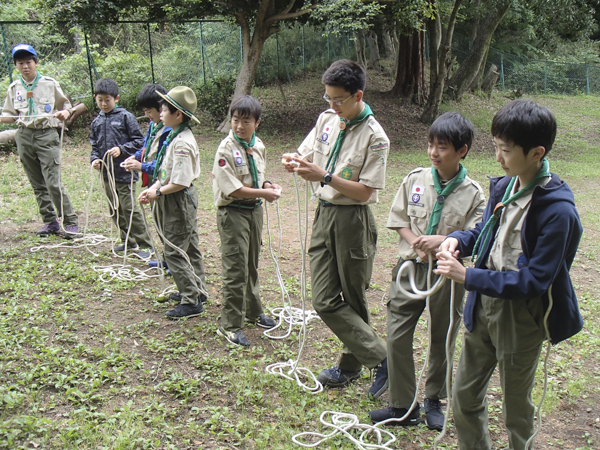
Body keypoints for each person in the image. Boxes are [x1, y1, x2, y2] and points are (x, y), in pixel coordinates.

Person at [434, 99, 583, 450]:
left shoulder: (558, 211)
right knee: (464, 398)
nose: (498, 157)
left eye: (506, 150)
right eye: (496, 147)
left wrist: (467, 277)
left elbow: (534, 281)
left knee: (517, 410)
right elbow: (485, 234)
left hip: (521, 317)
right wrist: (457, 239)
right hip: (483, 306)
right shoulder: (504, 186)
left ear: (536, 153)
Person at [368, 112, 486, 430]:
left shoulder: (474, 195)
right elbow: (399, 219)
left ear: (462, 150)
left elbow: (477, 237)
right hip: (410, 269)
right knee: (397, 333)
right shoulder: (415, 179)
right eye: (431, 145)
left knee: (441, 338)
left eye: (443, 147)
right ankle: (403, 405)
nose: (434, 152)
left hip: (447, 275)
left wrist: (445, 241)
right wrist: (416, 243)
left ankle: (434, 398)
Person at [282, 59, 389, 398]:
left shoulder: (375, 137)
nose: (331, 105)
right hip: (323, 214)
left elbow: (366, 192)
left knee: (354, 297)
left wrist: (325, 176)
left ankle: (351, 366)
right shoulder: (327, 119)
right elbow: (307, 153)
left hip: (352, 221)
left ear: (358, 95)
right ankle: (382, 359)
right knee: (325, 299)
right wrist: (294, 161)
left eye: (338, 99)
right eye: (327, 98)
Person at [212, 95, 281, 347]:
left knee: (251, 263)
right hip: (234, 214)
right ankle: (229, 325)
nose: (239, 126)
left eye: (246, 121)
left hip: (254, 212)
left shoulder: (257, 145)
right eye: (235, 120)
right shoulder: (225, 149)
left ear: (257, 123)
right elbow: (233, 189)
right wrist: (264, 193)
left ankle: (253, 311)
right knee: (235, 268)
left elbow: (256, 177)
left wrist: (266, 184)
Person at [138, 86, 207, 319]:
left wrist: (157, 193)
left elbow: (180, 182)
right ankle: (196, 289)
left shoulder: (182, 143)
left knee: (175, 249)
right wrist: (154, 187)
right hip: (172, 194)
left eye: (165, 109)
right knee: (188, 246)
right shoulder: (175, 135)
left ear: (178, 114)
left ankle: (191, 299)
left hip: (177, 199)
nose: (161, 112)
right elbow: (166, 175)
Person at [0, 44, 79, 238]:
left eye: (28, 62)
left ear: (36, 62)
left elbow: (67, 107)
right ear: (15, 65)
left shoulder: (49, 83)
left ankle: (70, 221)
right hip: (24, 136)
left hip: (46, 134)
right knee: (37, 183)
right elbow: (10, 115)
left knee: (53, 182)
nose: (25, 66)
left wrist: (65, 112)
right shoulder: (14, 88)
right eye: (20, 63)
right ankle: (50, 221)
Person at [90, 78, 153, 257]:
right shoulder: (96, 122)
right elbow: (94, 146)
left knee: (129, 207)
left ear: (116, 99)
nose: (103, 104)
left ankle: (146, 245)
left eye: (107, 100)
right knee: (115, 208)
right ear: (95, 98)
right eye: (100, 100)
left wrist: (121, 149)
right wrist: (94, 160)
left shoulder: (126, 117)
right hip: (107, 174)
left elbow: (140, 142)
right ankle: (128, 241)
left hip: (125, 172)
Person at [122, 83, 172, 268]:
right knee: (158, 219)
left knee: (167, 222)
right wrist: (133, 158)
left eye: (149, 111)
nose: (148, 115)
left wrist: (140, 166)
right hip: (151, 180)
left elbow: (162, 164)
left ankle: (172, 261)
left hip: (163, 182)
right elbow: (145, 148)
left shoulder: (169, 130)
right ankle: (167, 259)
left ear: (162, 107)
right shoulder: (153, 125)